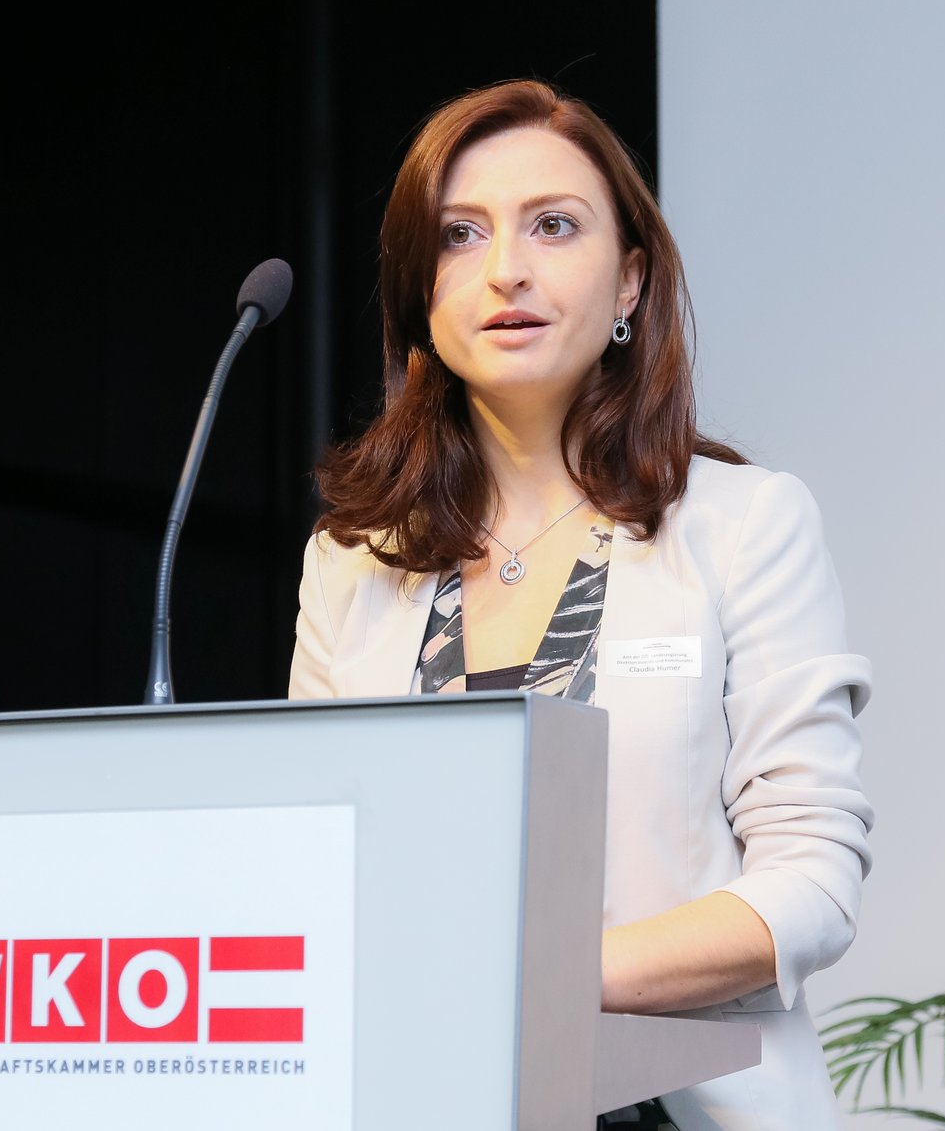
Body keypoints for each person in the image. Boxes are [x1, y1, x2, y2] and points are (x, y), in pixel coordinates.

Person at [288, 79, 873, 1130]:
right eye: (460, 234)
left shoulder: (744, 524)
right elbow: (316, 876)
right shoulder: (350, 562)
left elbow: (812, 885)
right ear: (421, 292)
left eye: (553, 225)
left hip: (678, 1108)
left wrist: (543, 980)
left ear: (629, 281)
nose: (506, 268)